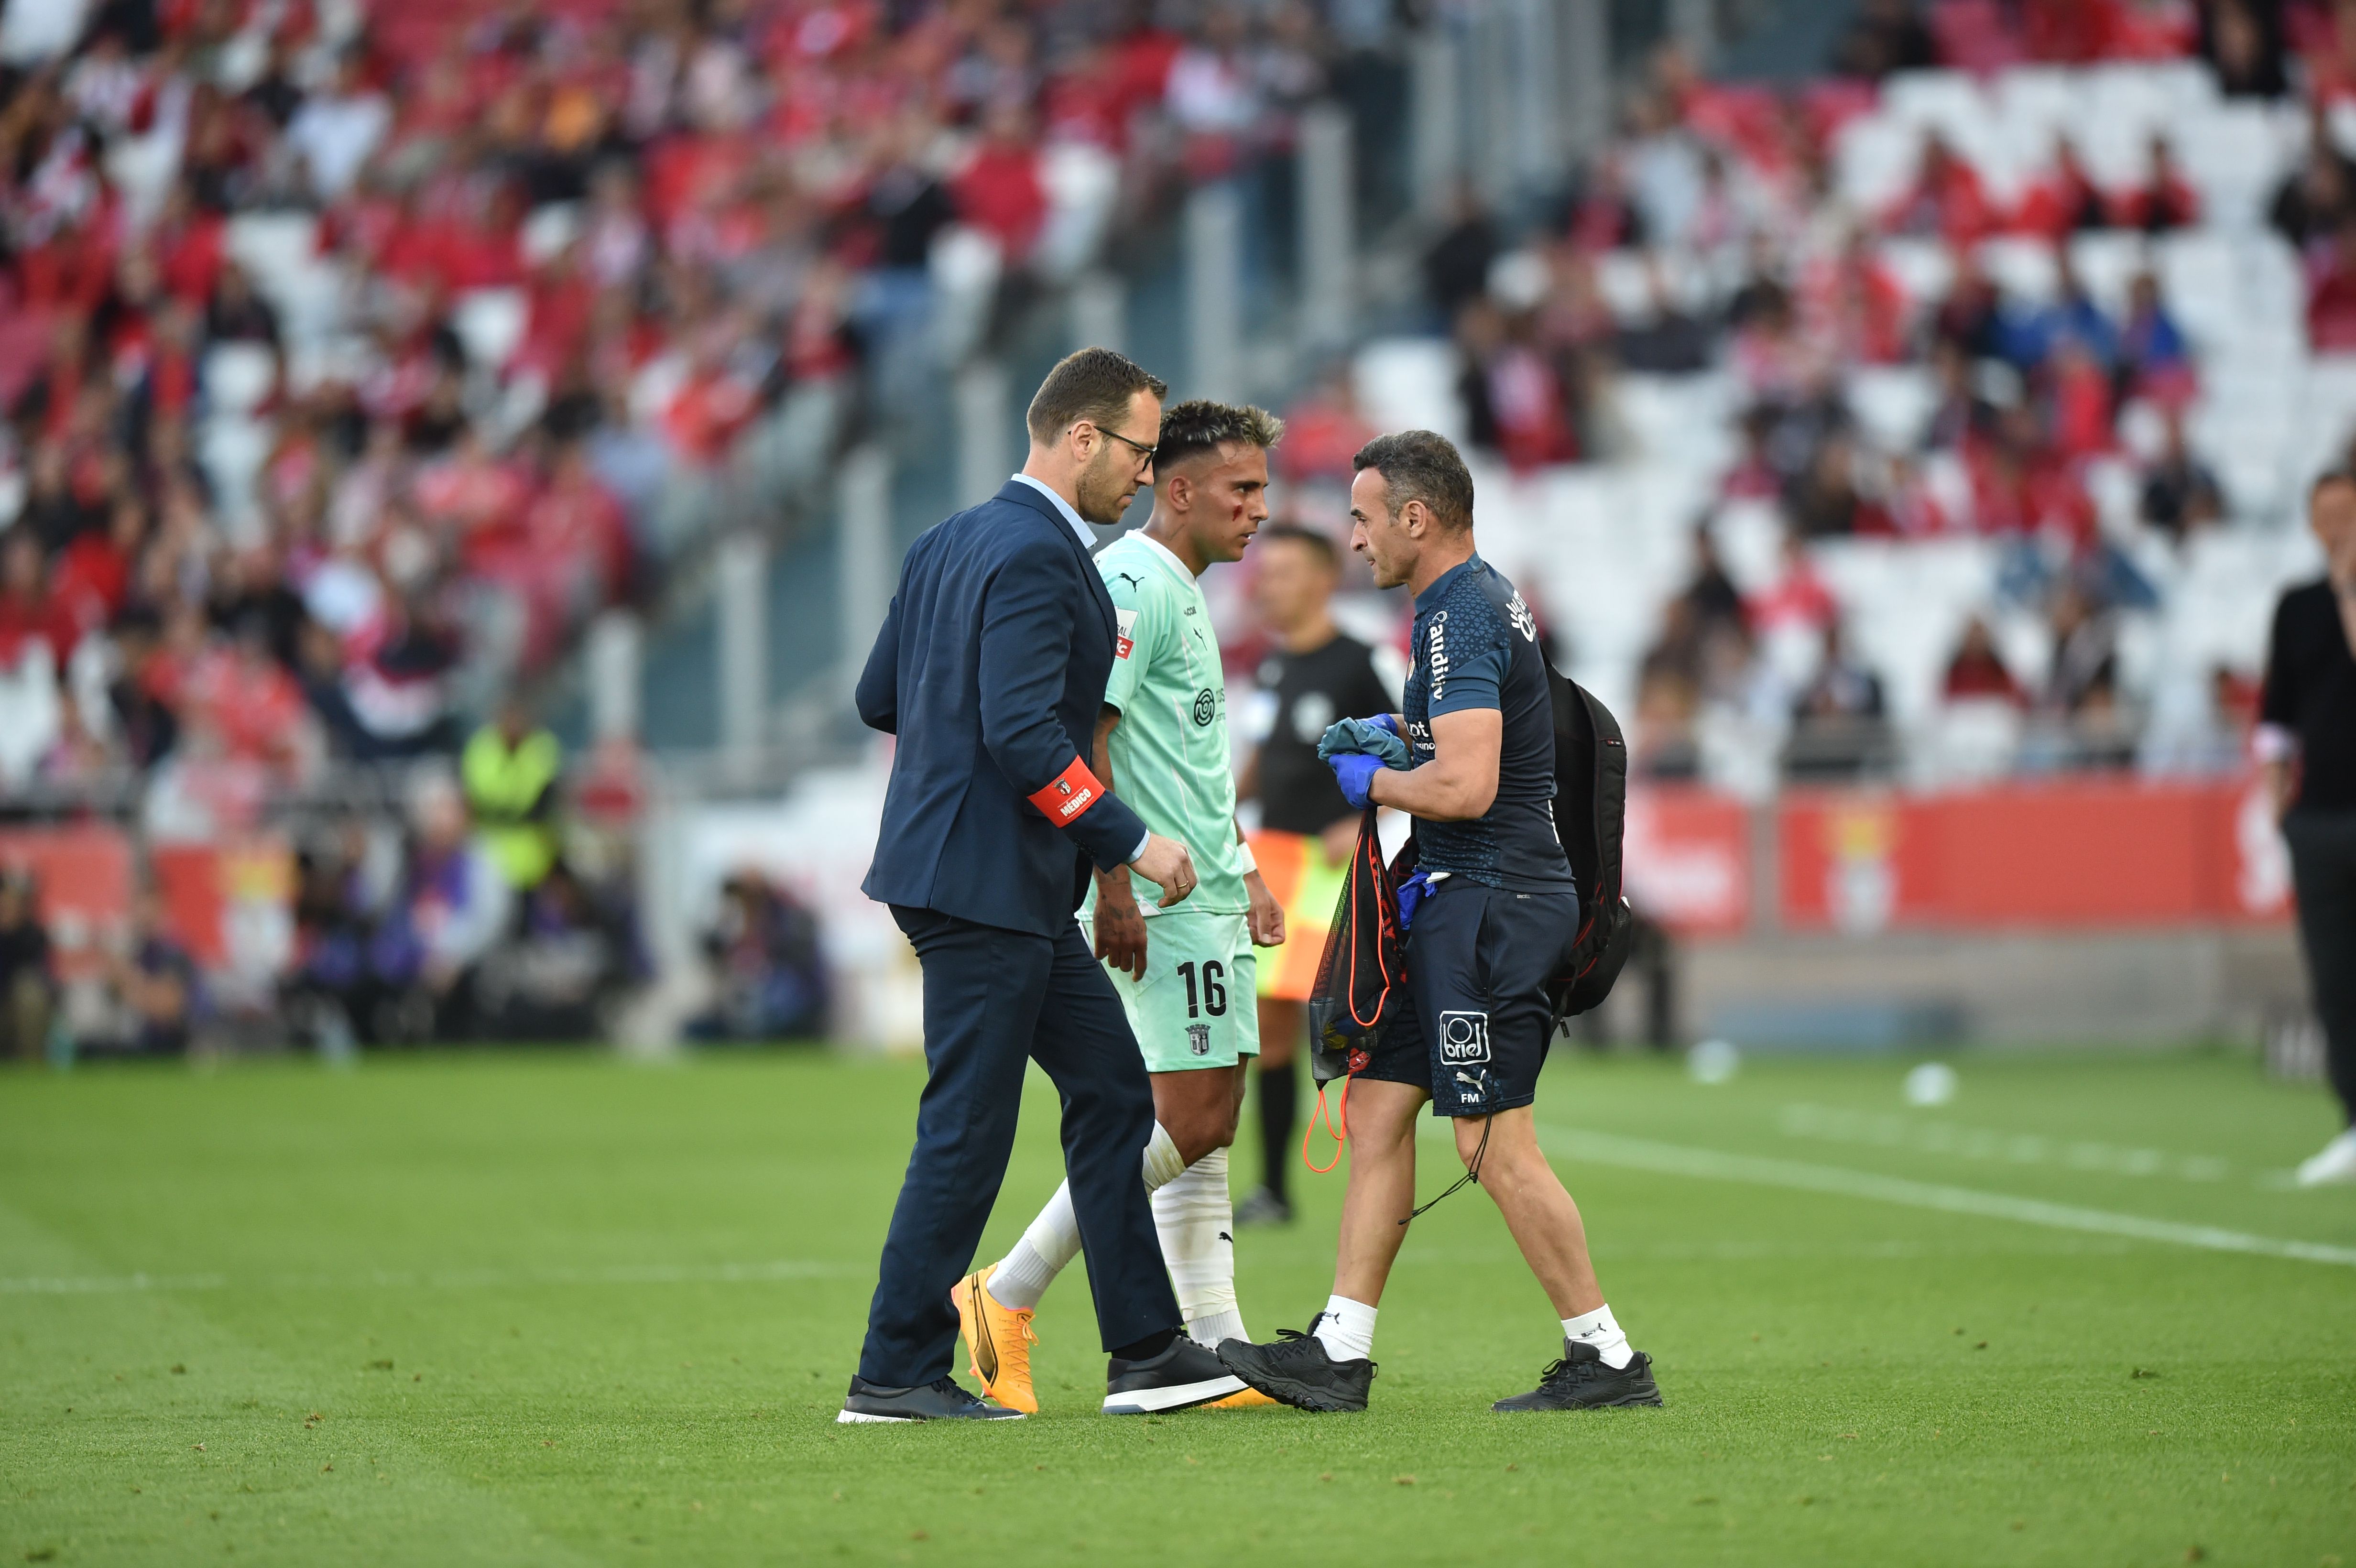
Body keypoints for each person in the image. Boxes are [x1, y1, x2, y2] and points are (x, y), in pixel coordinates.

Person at [1216, 431, 1662, 1414]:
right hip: (1461, 897)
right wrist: (1405, 737)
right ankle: (1339, 1350)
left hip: (1489, 905)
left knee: (1489, 1139)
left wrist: (1372, 775)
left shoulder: (1455, 615)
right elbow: (1470, 747)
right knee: (1378, 1109)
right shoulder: (1476, 601)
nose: (1356, 537)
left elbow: (1466, 785)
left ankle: (1608, 1357)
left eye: (1365, 517)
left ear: (1416, 517)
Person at [844, 347, 1229, 1424]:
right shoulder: (1045, 558)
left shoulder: (944, 541)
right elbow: (1020, 733)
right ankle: (894, 1371)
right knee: (966, 1124)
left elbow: (882, 695)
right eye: (1140, 453)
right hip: (986, 880)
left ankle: (1147, 1350)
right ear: (1080, 438)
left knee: (1111, 1089)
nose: (1145, 477)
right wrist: (1129, 840)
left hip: (982, 873)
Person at [951, 401, 1289, 1414]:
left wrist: (1244, 867)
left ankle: (1217, 1343)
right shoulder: (1132, 581)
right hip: (1155, 899)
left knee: (1211, 1124)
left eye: (1263, 491)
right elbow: (1086, 731)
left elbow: (1180, 758)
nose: (1258, 511)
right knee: (1181, 1118)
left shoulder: (1179, 586)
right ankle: (1001, 1291)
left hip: (1206, 892)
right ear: (1177, 489)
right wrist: (1112, 882)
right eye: (1242, 490)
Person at [1235, 523, 1397, 1225]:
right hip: (1278, 864)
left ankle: (1376, 1180)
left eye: (1286, 571)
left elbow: (1413, 748)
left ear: (1326, 579)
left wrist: (1361, 818)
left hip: (1335, 870)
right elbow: (1260, 759)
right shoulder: (1273, 668)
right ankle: (1274, 1189)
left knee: (1351, 1026)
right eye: (1264, 572)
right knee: (1271, 1027)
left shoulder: (1359, 664)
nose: (1269, 583)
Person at [2258, 470, 2356, 1186]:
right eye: (2325, 513)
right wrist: (2275, 810)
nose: (2336, 525)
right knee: (2334, 980)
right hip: (2318, 816)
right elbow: (2276, 718)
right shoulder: (2295, 607)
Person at [461, 700, 563, 893]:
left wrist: (499, 810)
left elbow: (539, 806)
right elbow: (477, 802)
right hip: (488, 857)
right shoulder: (481, 748)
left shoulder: (543, 748)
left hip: (535, 859)